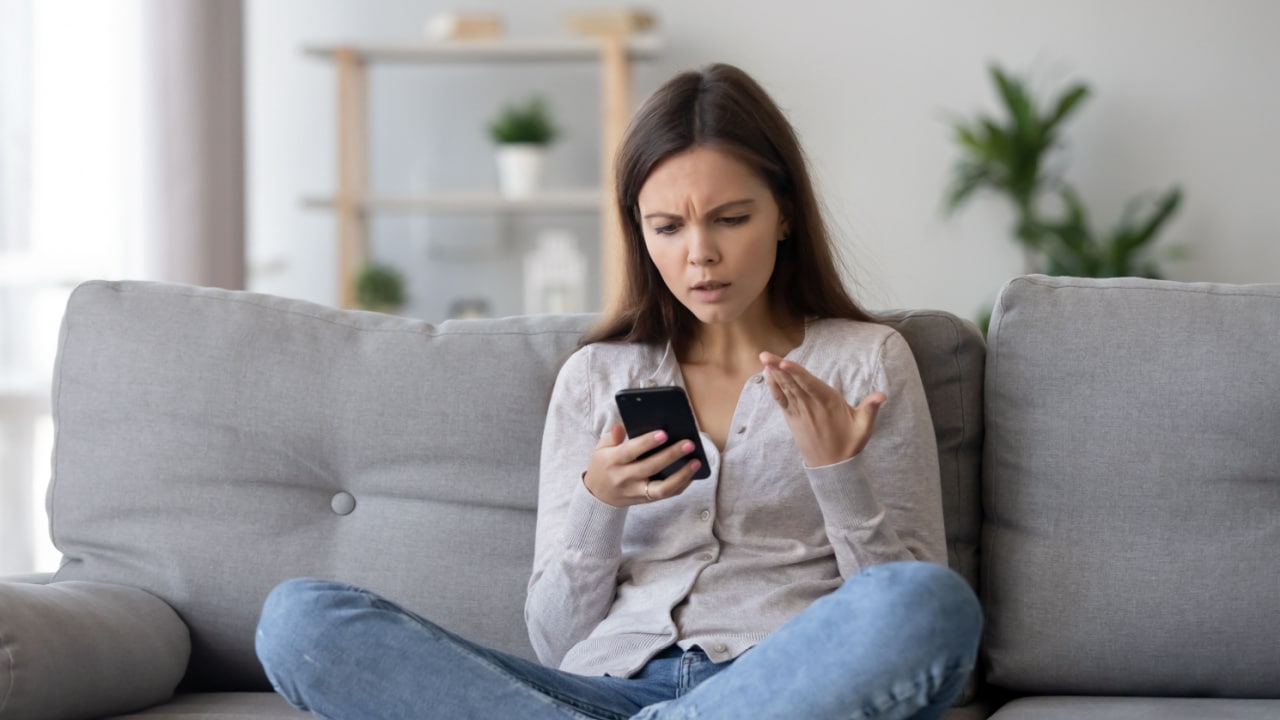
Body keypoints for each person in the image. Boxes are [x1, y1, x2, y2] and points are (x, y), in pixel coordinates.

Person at [255, 62, 982, 720]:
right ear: (639, 231)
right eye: (667, 226)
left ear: (785, 213)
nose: (701, 254)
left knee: (931, 606)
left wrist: (837, 475)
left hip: (778, 687)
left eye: (732, 219)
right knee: (300, 620)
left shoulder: (866, 363)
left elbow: (899, 603)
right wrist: (597, 507)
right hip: (601, 689)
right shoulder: (598, 377)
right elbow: (554, 638)